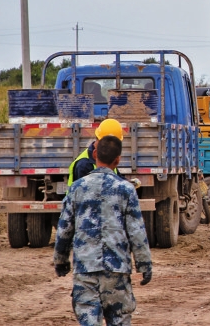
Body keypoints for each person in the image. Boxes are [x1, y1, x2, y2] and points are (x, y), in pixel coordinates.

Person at [54, 135, 152, 326]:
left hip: (85, 271)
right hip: (117, 271)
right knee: (120, 319)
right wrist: (144, 264)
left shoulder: (77, 188)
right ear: (118, 160)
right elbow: (137, 232)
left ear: (95, 154)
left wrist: (60, 261)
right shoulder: (126, 190)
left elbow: (64, 229)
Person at [70, 119, 125, 185]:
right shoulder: (84, 164)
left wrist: (129, 183)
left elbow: (117, 177)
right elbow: (83, 192)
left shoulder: (108, 158)